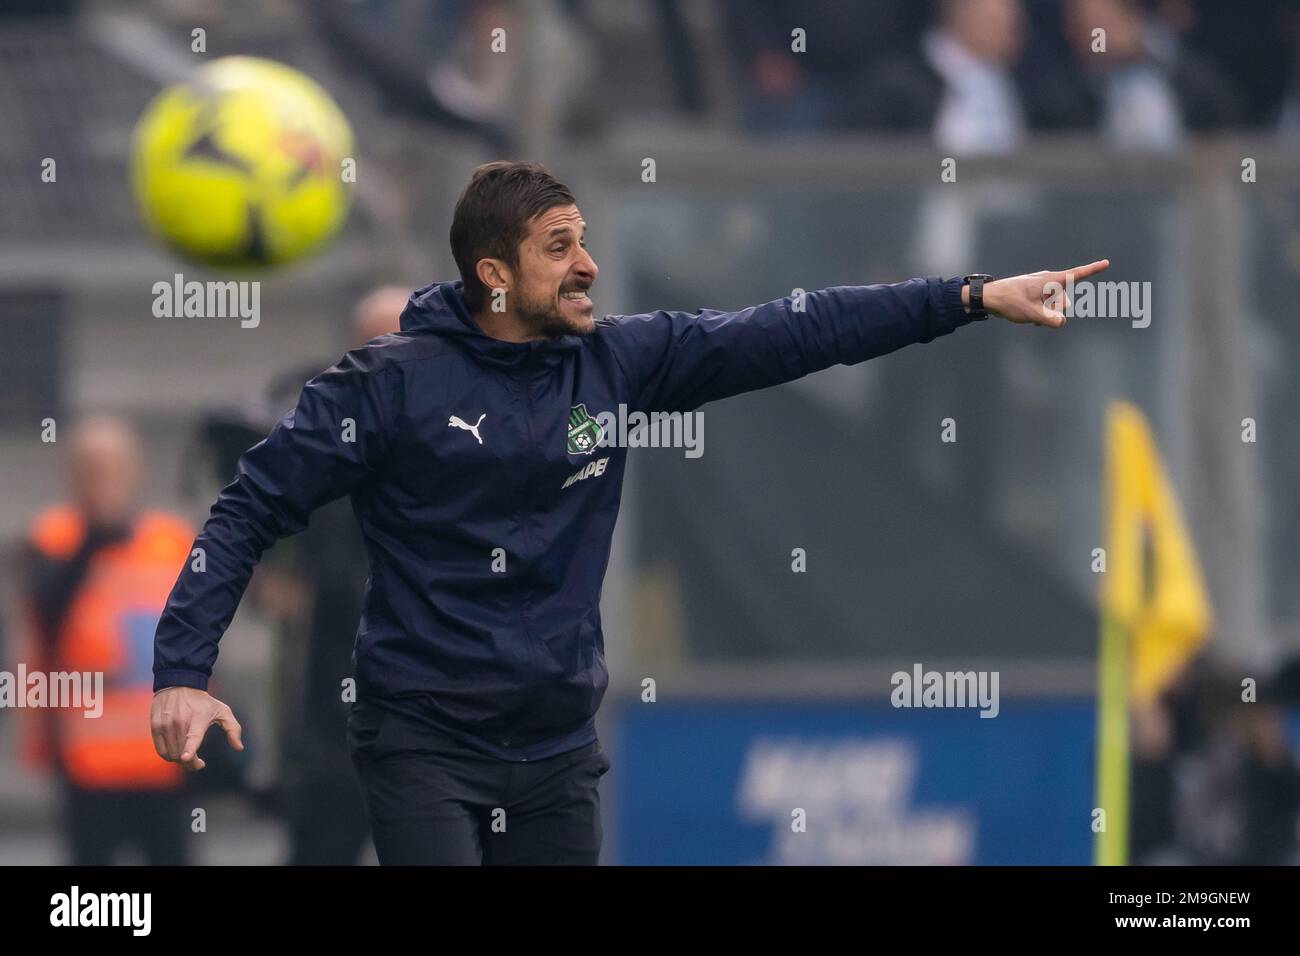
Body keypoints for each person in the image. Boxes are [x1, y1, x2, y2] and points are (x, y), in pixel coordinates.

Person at [151, 160, 1108, 865]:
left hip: (558, 745)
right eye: (559, 248)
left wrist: (973, 297)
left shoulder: (618, 360)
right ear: (493, 274)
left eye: (585, 242)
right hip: (424, 742)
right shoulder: (384, 386)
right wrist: (184, 670)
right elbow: (247, 510)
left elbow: (799, 329)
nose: (589, 267)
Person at [22, 416, 194, 864]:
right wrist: (93, 540)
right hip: (90, 759)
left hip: (166, 756)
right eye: (91, 469)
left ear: (135, 471)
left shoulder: (170, 541)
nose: (104, 482)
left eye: (114, 468)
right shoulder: (54, 538)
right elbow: (45, 608)